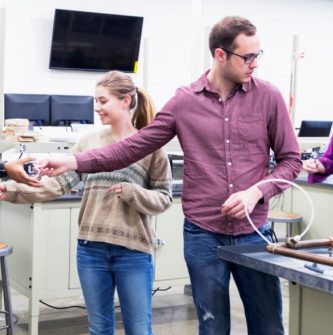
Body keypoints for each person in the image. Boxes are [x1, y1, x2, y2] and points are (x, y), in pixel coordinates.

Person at [36, 16, 302, 335]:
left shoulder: (268, 97)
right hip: (203, 236)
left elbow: (290, 160)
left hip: (253, 232)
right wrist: (73, 161)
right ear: (220, 55)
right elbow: (132, 147)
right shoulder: (184, 102)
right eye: (247, 57)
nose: (254, 64)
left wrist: (256, 192)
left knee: (269, 326)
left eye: (258, 55)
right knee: (212, 327)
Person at [0, 70, 172, 335]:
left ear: (126, 101)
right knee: (99, 328)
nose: (97, 107)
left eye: (103, 101)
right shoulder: (88, 143)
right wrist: (7, 188)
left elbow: (163, 198)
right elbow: (54, 185)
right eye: (95, 100)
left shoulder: (150, 147)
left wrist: (131, 192)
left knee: (139, 329)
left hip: (134, 252)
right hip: (91, 251)